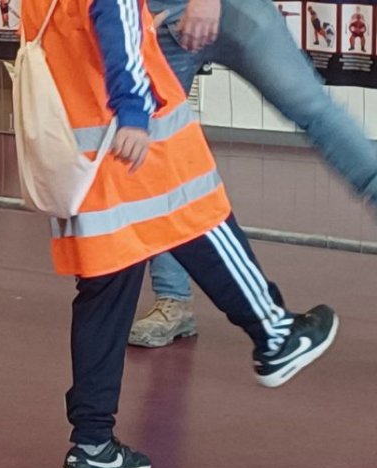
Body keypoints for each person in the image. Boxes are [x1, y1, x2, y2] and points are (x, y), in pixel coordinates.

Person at [19, 0, 339, 468]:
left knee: (104, 295)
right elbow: (115, 16)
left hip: (84, 158)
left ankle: (91, 444)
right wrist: (134, 110)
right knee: (202, 220)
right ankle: (274, 333)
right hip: (135, 141)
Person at [131, 0, 377, 348]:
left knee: (312, 109)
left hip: (232, 7)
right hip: (158, 20)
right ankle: (173, 300)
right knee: (158, 152)